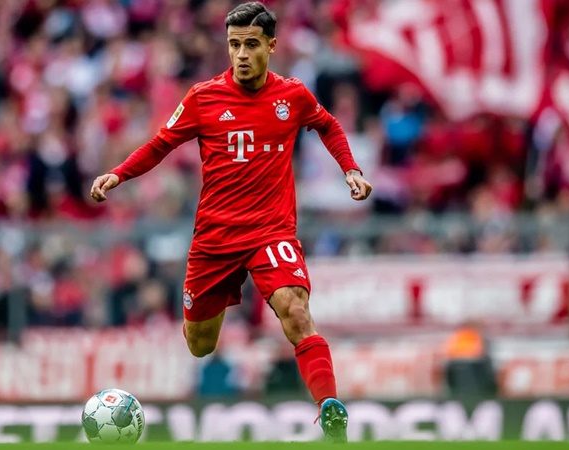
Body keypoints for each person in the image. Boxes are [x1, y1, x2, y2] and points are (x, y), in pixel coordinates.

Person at [90, 2, 372, 441]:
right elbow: (161, 144)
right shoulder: (203, 98)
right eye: (234, 44)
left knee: (296, 310)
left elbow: (329, 125)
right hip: (215, 238)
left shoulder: (293, 96)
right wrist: (119, 174)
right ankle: (220, 306)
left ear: (271, 46)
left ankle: (329, 408)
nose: (241, 54)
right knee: (200, 344)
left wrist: (350, 169)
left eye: (251, 44)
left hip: (271, 232)